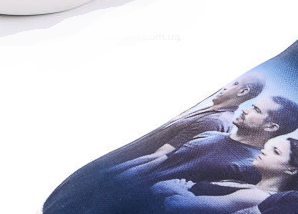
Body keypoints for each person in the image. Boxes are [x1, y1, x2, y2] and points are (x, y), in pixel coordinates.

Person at [153, 137, 298, 214]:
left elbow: (175, 204)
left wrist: (180, 190)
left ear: (292, 170)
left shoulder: (259, 197)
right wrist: (186, 192)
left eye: (276, 152)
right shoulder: (248, 184)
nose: (265, 150)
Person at [111, 95, 298, 185]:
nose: (245, 110)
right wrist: (113, 173)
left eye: (256, 110)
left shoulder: (252, 168)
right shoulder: (212, 135)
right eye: (251, 105)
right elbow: (161, 160)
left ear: (271, 127)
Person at [105, 72, 266, 169]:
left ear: (243, 91)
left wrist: (108, 171)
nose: (225, 86)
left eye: (235, 83)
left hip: (117, 168)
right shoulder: (213, 111)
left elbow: (160, 157)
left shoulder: (216, 121)